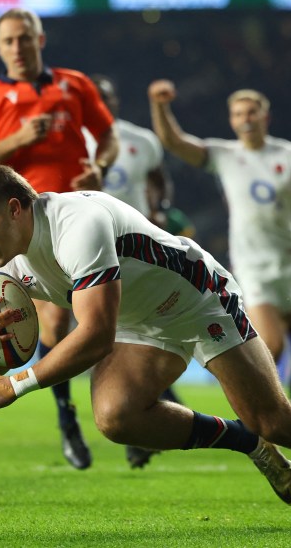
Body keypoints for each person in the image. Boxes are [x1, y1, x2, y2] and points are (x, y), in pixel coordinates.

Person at [0, 164, 291, 528]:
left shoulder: (77, 223)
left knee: (277, 420)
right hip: (137, 323)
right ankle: (245, 441)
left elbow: (95, 334)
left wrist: (16, 385)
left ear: (15, 208)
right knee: (116, 417)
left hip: (197, 299)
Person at [0, 8, 119, 470]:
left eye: (24, 38)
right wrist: (19, 139)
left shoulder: (75, 84)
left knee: (114, 317)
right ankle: (68, 417)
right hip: (25, 233)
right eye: (8, 41)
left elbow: (108, 137)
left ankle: (131, 407)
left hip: (81, 219)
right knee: (55, 327)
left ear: (40, 38)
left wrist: (100, 166)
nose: (17, 48)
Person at [148, 80, 291, 408]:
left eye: (251, 111)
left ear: (265, 117)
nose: (245, 118)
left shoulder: (290, 154)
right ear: (232, 121)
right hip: (253, 266)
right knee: (273, 344)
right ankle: (266, 412)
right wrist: (160, 106)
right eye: (238, 113)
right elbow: (174, 142)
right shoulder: (224, 154)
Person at [91, 73, 188, 469]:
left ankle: (138, 425)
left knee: (112, 338)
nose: (101, 104)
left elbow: (159, 181)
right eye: (93, 98)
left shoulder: (140, 140)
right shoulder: (70, 144)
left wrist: (160, 210)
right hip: (89, 256)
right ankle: (143, 422)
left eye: (106, 98)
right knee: (112, 338)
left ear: (114, 102)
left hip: (135, 252)